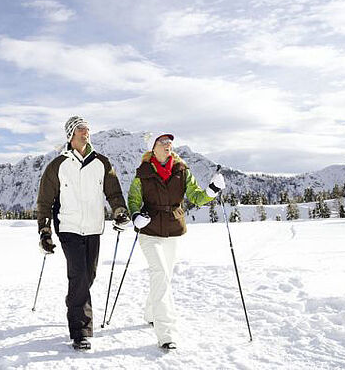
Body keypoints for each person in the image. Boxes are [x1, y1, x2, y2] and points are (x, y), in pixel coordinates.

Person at [36, 116, 130, 350]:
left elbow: (114, 193)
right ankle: (80, 331)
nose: (85, 132)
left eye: (87, 128)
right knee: (78, 276)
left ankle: (73, 301)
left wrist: (119, 211)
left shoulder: (102, 163)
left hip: (93, 228)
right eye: (80, 129)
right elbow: (45, 201)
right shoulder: (57, 165)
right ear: (70, 134)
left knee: (88, 276)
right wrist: (45, 231)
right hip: (68, 227)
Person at [127, 133, 225, 350]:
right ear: (152, 148)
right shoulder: (142, 173)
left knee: (164, 277)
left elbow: (197, 197)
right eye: (162, 142)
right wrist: (135, 216)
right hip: (150, 231)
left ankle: (150, 313)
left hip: (173, 230)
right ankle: (166, 333)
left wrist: (212, 190)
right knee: (160, 273)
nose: (167, 145)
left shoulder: (182, 171)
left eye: (169, 142)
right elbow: (133, 199)